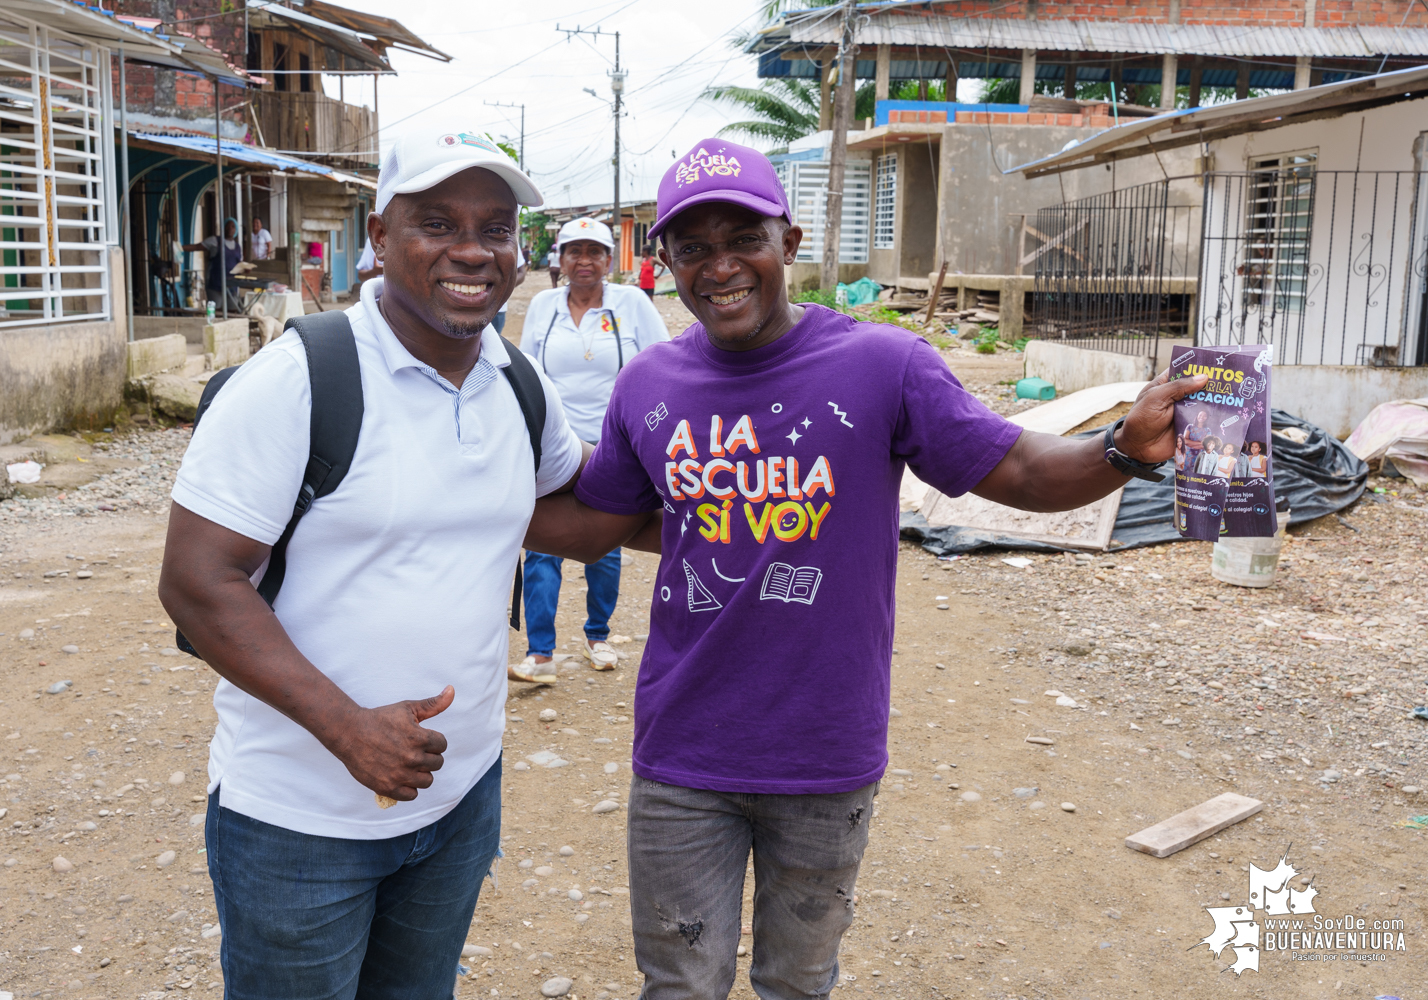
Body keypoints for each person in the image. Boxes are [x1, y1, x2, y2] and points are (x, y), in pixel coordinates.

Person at [522, 137, 1206, 1000]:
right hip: (683, 751)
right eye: (693, 247)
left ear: (790, 243)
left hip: (824, 754)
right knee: (678, 987)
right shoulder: (647, 387)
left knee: (798, 984)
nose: (721, 266)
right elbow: (597, 524)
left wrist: (1123, 449)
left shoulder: (883, 365)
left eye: (745, 239)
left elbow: (1023, 470)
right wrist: (457, 501)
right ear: (663, 262)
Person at [157, 123, 654, 999]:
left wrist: (757, 518)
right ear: (381, 239)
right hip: (298, 821)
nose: (473, 251)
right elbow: (198, 581)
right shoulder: (300, 378)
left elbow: (574, 519)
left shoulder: (514, 382)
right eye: (437, 223)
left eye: (497, 228)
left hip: (458, 803)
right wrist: (348, 728)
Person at [512, 218, 669, 684]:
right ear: (559, 259)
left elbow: (661, 360)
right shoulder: (544, 305)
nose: (584, 261)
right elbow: (526, 369)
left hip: (612, 444)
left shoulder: (631, 303)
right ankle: (540, 654)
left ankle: (598, 634)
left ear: (608, 260)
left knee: (608, 541)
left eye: (595, 251)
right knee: (542, 545)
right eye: (573, 251)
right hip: (554, 443)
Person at [182, 217, 243, 313]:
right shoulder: (214, 241)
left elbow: (240, 265)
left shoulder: (238, 247)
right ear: (223, 227)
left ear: (236, 230)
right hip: (215, 283)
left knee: (232, 312)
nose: (230, 228)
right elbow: (197, 247)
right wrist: (179, 247)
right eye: (228, 225)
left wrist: (245, 270)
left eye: (233, 226)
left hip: (232, 286)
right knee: (214, 312)